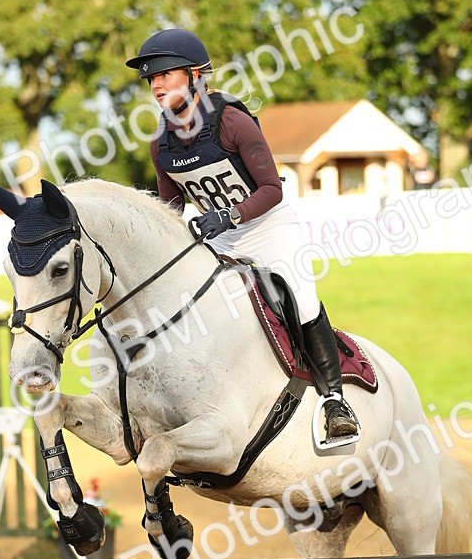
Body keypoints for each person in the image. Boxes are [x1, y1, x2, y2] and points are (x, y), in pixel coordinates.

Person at [125, 28, 359, 444]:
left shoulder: (231, 122)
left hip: (267, 227)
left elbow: (272, 188)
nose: (156, 84)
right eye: (151, 78)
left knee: (301, 296)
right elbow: (170, 210)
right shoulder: (161, 144)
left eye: (164, 74)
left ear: (195, 76)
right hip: (220, 239)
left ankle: (334, 401)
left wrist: (229, 216)